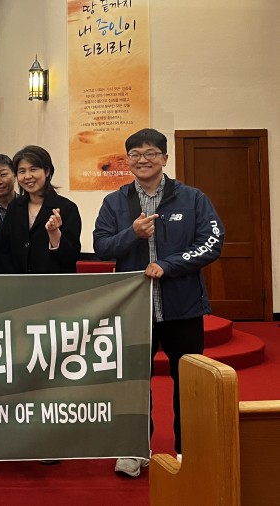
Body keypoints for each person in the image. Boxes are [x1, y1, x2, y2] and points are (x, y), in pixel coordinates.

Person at [94, 128, 224, 478]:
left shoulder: (193, 198)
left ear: (165, 158)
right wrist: (132, 234)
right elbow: (102, 246)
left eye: (151, 153)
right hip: (134, 309)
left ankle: (188, 449)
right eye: (135, 154)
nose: (143, 160)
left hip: (183, 307)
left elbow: (212, 242)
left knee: (190, 382)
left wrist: (169, 265)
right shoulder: (115, 202)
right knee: (135, 382)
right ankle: (135, 449)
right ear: (127, 161)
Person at [0, 145, 81, 274]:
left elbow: (71, 256)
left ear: (47, 171)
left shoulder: (66, 208)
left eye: (33, 169)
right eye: (22, 171)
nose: (27, 176)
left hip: (53, 282)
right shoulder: (14, 207)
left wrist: (55, 234)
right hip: (19, 282)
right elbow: (5, 248)